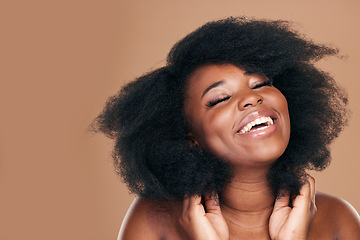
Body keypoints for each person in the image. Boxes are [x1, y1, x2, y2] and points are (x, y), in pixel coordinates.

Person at [93, 17, 360, 239]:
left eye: (260, 84)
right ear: (190, 138)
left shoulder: (337, 221)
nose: (251, 98)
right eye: (220, 98)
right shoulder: (155, 218)